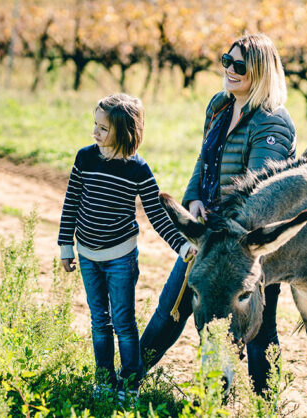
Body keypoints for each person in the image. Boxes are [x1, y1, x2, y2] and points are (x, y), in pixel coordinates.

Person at [140, 33, 296, 395]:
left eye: (240, 65)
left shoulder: (272, 122)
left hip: (247, 245)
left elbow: (257, 195)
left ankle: (264, 402)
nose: (229, 69)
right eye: (227, 60)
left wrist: (209, 228)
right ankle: (127, 379)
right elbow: (204, 160)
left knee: (260, 327)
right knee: (173, 305)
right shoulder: (220, 105)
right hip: (211, 233)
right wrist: (193, 197)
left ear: (260, 72)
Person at [57, 93, 192, 400]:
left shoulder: (138, 170)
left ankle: (129, 384)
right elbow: (70, 204)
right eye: (95, 124)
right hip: (87, 255)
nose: (95, 132)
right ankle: (104, 381)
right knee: (99, 321)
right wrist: (66, 245)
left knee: (123, 322)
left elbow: (157, 215)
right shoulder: (85, 158)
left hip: (120, 257)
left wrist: (181, 246)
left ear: (125, 132)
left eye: (103, 128)